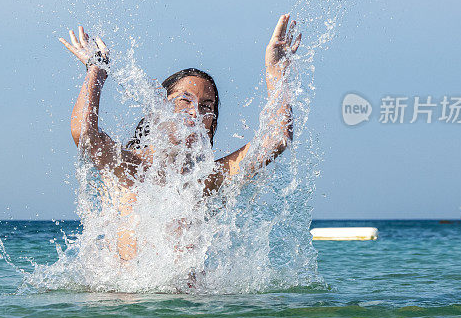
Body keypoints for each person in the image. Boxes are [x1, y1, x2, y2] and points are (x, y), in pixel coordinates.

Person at [58, 15, 301, 261]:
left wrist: (277, 70)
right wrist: (96, 70)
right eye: (185, 100)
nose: (195, 113)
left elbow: (278, 137)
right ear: (158, 109)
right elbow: (85, 134)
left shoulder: (206, 179)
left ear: (212, 123)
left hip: (192, 300)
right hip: (128, 298)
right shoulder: (128, 168)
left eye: (207, 107)